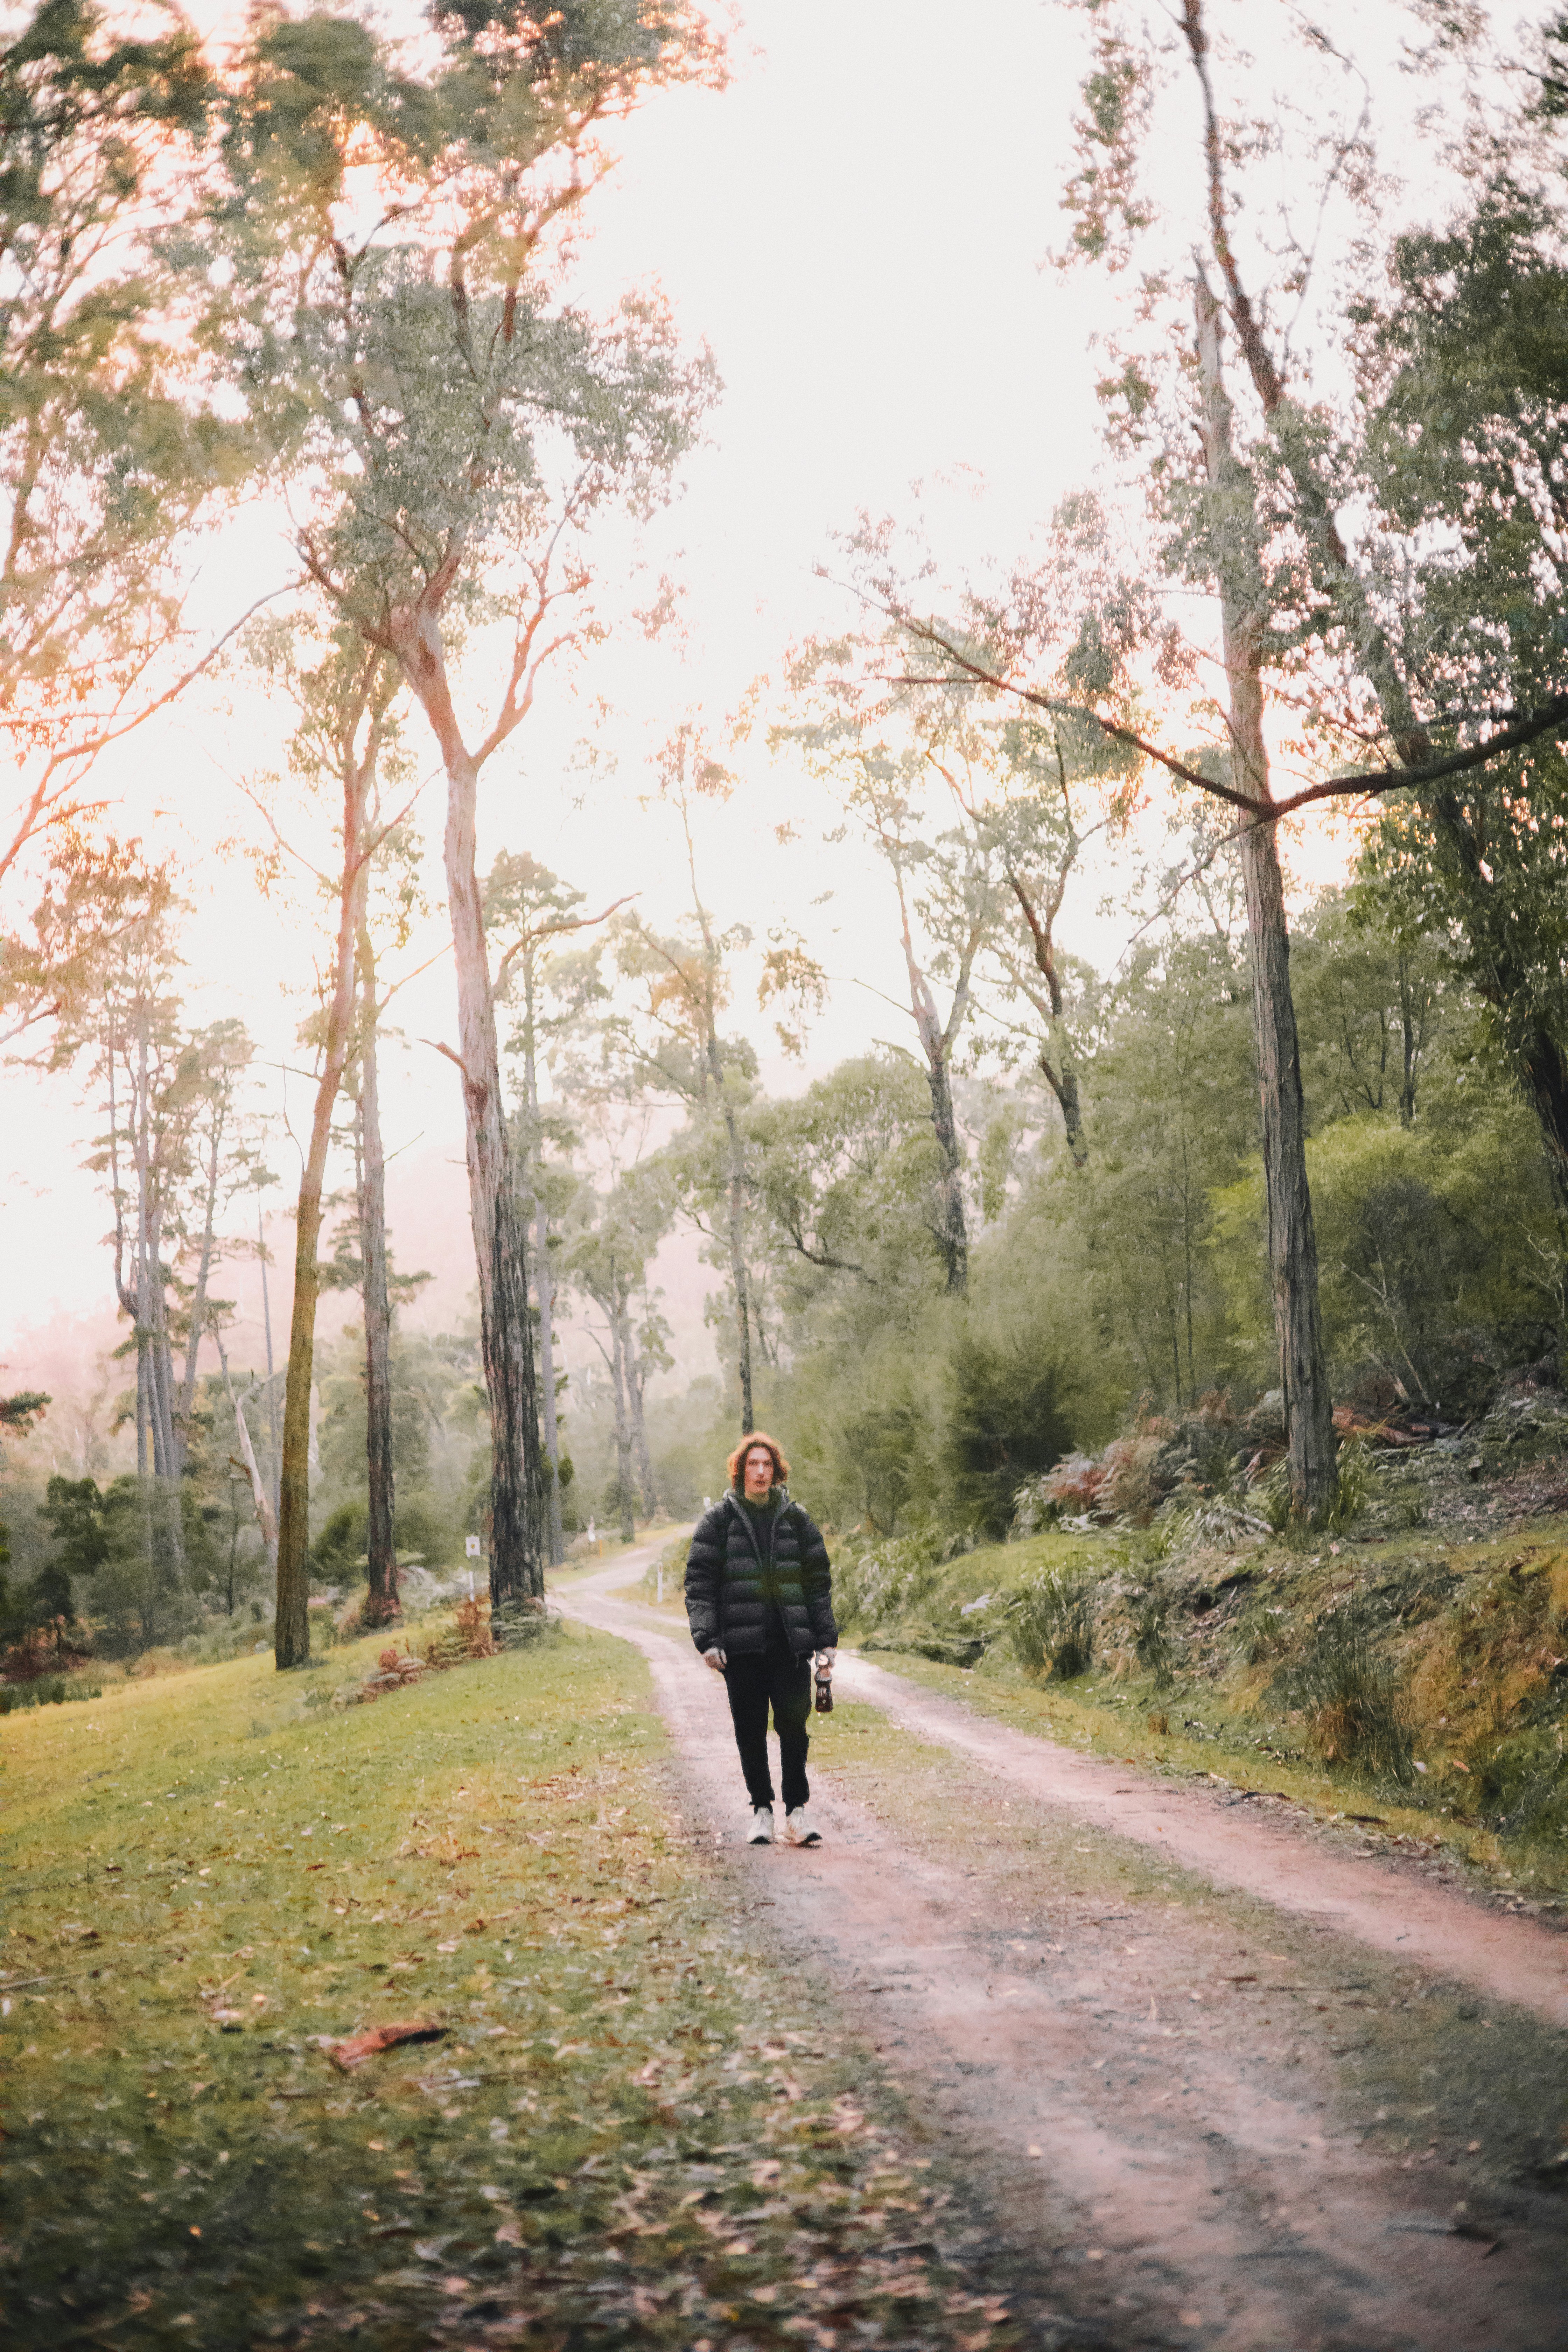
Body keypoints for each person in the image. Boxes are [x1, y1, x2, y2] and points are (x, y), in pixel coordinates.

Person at [684, 1431, 837, 1847]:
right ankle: (762, 1813)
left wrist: (825, 1640)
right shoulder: (718, 1522)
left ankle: (797, 1813)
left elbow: (818, 1585)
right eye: (752, 1464)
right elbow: (699, 1586)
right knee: (749, 1732)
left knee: (794, 1730)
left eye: (767, 1464)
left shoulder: (797, 1520)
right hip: (741, 1651)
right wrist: (708, 1639)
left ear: (776, 1471)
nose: (760, 1471)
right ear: (740, 1471)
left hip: (789, 1649)